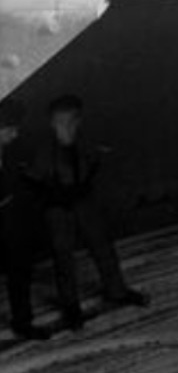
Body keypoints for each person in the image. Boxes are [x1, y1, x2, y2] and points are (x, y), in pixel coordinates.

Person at [25, 95, 148, 331]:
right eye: (60, 122)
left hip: (84, 202)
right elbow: (33, 180)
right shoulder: (43, 151)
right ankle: (71, 308)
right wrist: (52, 195)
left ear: (79, 121)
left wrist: (87, 180)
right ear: (51, 123)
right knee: (63, 257)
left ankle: (117, 291)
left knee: (103, 247)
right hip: (58, 209)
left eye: (71, 121)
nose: (65, 127)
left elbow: (94, 162)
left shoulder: (86, 144)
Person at [0, 119, 49, 340]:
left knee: (19, 273)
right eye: (10, 130)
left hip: (13, 225)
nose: (15, 135)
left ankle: (23, 323)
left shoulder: (15, 152)